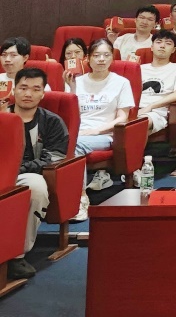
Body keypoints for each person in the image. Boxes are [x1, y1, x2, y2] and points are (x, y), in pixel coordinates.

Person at [5, 67, 69, 282]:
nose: (28, 94)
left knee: (37, 188)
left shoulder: (52, 122)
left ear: (43, 93)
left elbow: (54, 157)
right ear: (14, 90)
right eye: (23, 87)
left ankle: (17, 256)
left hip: (28, 174)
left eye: (35, 89)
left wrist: (21, 169)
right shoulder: (2, 116)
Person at [71, 38, 136, 216]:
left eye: (106, 55)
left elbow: (123, 117)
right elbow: (71, 114)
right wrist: (71, 88)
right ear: (88, 58)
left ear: (112, 58)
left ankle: (80, 199)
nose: (101, 59)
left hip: (105, 134)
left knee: (74, 145)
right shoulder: (77, 81)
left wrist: (96, 130)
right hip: (77, 132)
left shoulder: (121, 82)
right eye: (96, 55)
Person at [138, 30, 176, 136]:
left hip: (156, 112)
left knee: (137, 125)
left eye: (168, 43)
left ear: (173, 50)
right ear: (152, 47)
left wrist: (150, 106)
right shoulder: (139, 68)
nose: (162, 46)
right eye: (159, 42)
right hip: (133, 109)